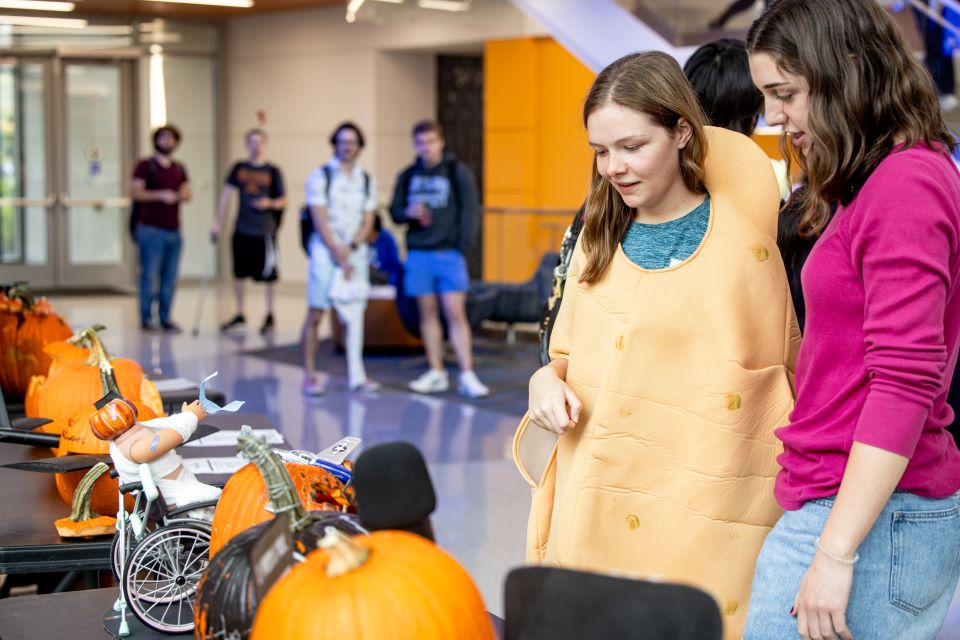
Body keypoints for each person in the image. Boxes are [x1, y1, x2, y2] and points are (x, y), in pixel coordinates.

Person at [514, 51, 799, 639]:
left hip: (699, 514)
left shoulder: (744, 251)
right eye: (600, 151)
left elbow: (771, 393)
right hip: (595, 496)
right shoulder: (599, 239)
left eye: (632, 146)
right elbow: (563, 353)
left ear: (681, 133)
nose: (613, 167)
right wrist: (545, 381)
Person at [743, 1, 960, 638]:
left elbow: (904, 381)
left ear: (847, 71)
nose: (773, 116)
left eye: (785, 93)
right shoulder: (867, 182)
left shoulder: (904, 184)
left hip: (870, 514)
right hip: (849, 500)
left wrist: (836, 552)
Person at [388, 121, 489, 398]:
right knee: (427, 313)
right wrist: (407, 212)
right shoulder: (407, 175)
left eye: (431, 141)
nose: (426, 147)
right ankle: (437, 372)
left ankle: (467, 374)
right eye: (421, 142)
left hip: (449, 254)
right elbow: (394, 212)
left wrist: (461, 246)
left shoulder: (457, 172)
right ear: (415, 145)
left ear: (441, 142)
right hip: (418, 254)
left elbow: (470, 212)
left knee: (455, 312)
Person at [302, 122, 379, 395]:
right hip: (325, 253)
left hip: (354, 254)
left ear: (360, 146)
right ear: (334, 143)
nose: (348, 147)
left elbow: (369, 218)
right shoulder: (320, 176)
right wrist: (336, 249)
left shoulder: (366, 180)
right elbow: (318, 215)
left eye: (353, 142)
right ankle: (309, 374)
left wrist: (352, 246)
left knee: (355, 315)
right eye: (343, 142)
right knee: (317, 311)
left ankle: (357, 375)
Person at [212, 129, 287, 335]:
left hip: (264, 231)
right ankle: (240, 314)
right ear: (247, 144)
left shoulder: (273, 171)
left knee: (269, 275)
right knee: (239, 273)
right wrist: (217, 222)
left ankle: (270, 314)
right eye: (252, 142)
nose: (256, 146)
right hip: (242, 228)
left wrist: (268, 203)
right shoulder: (239, 168)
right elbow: (226, 194)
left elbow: (283, 200)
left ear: (265, 144)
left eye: (260, 142)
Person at [94, 397, 221, 518]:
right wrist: (190, 417)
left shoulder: (131, 437)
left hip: (184, 486)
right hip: (178, 499)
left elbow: (164, 427)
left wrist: (184, 416)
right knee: (222, 500)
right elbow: (161, 441)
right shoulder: (136, 449)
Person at [130, 125, 191, 333]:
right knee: (149, 276)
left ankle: (165, 317)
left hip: (173, 230)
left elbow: (187, 192)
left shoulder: (179, 168)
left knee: (170, 277)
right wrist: (161, 195)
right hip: (150, 229)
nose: (167, 142)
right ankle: (147, 318)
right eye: (163, 138)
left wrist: (180, 195)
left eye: (171, 138)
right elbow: (136, 192)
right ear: (156, 140)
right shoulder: (145, 166)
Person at [368, 214, 402, 286]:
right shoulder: (358, 240)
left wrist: (391, 283)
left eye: (371, 234)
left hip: (383, 276)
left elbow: (394, 263)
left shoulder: (387, 238)